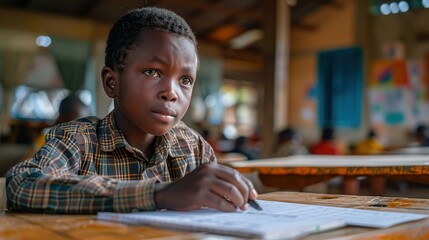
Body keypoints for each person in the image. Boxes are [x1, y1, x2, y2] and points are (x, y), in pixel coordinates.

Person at [6, 7, 257, 214]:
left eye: (185, 80)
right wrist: (159, 194)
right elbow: (22, 185)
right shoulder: (78, 140)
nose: (171, 92)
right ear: (111, 82)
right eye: (152, 72)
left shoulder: (194, 147)